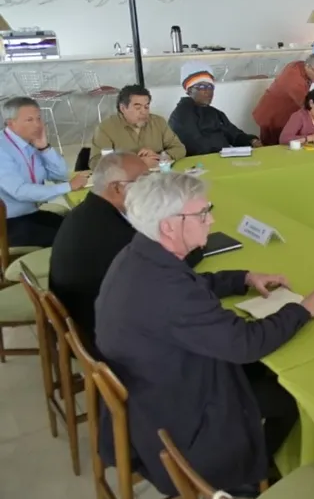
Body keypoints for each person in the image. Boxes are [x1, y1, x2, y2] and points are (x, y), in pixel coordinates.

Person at [95, 173, 314, 495]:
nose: (211, 220)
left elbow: (192, 285)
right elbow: (244, 344)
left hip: (153, 398)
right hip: (180, 425)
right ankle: (252, 476)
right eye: (202, 214)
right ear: (169, 226)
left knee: (266, 375)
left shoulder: (138, 255)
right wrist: (303, 309)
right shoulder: (168, 291)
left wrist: (243, 278)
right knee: (289, 395)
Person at [48, 153, 201, 349]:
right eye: (143, 182)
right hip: (101, 335)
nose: (150, 189)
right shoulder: (111, 232)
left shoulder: (89, 211)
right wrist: (193, 245)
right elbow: (166, 266)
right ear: (117, 188)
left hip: (83, 315)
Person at [0, 97, 88, 247]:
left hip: (30, 213)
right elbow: (19, 191)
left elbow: (61, 174)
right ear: (10, 123)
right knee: (71, 239)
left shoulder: (30, 142)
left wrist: (44, 148)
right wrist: (68, 186)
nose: (37, 125)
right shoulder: (2, 149)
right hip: (7, 223)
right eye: (29, 120)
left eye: (39, 118)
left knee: (79, 227)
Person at [168, 62, 260, 156]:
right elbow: (195, 147)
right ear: (189, 90)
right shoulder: (182, 115)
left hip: (223, 158)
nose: (208, 91)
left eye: (210, 86)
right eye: (202, 87)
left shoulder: (215, 113)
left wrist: (251, 141)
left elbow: (234, 134)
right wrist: (224, 151)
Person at [91, 85, 186, 169]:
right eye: (138, 108)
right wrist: (136, 162)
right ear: (123, 108)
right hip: (125, 179)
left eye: (146, 107)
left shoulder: (158, 122)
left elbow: (179, 148)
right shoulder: (106, 128)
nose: (144, 112)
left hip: (158, 176)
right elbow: (95, 162)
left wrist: (160, 156)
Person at [252, 53, 314, 145]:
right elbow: (308, 106)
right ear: (308, 67)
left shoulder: (301, 66)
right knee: (273, 148)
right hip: (273, 117)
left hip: (285, 114)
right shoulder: (294, 79)